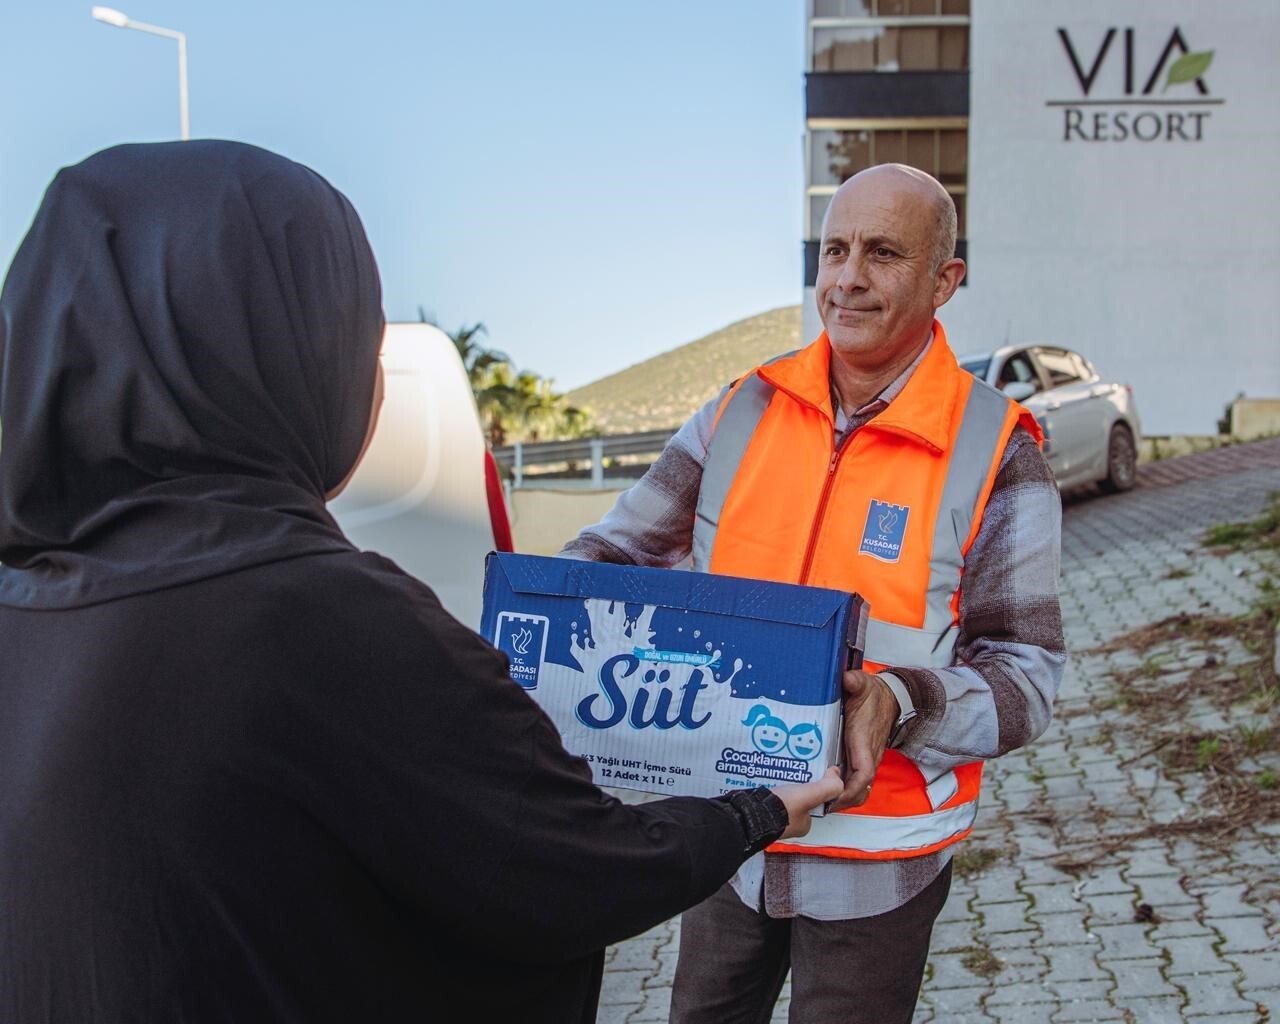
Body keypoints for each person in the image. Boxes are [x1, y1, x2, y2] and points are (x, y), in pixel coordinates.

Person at [0, 140, 842, 1024]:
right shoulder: (317, 620)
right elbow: (569, 871)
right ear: (287, 363)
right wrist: (757, 810)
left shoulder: (29, 604)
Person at [560, 163, 1066, 1023]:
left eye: (882, 253)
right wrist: (529, 619)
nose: (848, 278)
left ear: (945, 281)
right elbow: (614, 554)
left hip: (881, 859)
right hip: (730, 834)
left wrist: (902, 701)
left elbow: (1027, 678)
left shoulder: (997, 450)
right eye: (834, 250)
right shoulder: (740, 410)